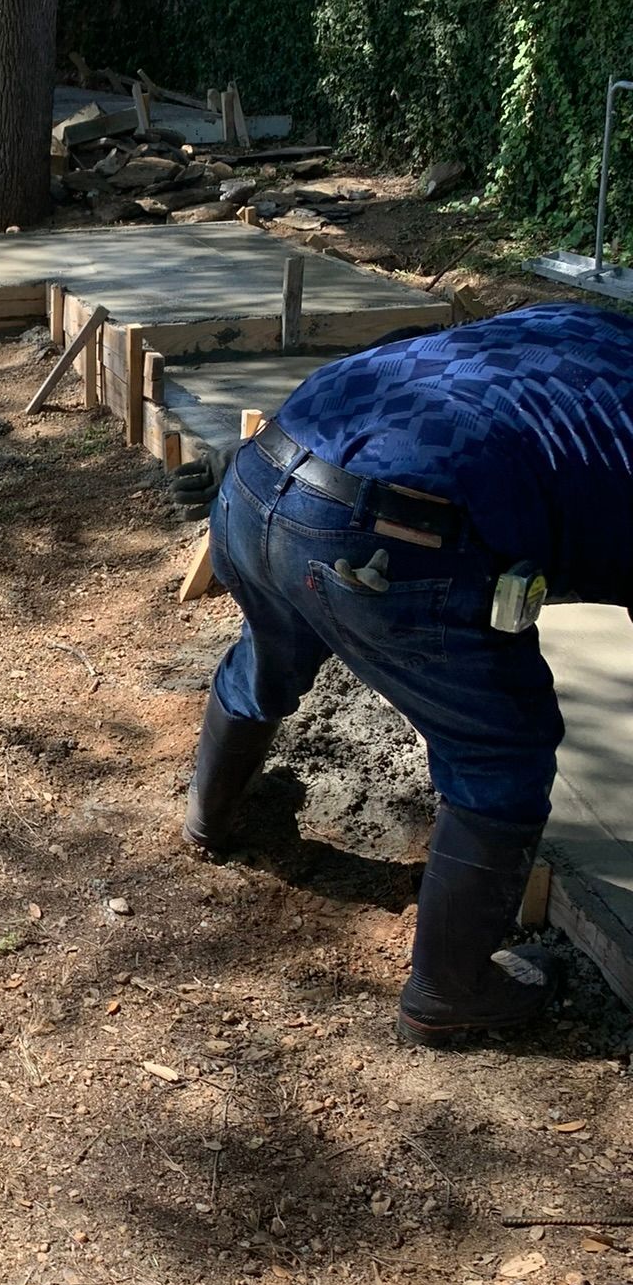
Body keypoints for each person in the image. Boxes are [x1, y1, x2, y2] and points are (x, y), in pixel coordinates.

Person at [176, 303, 633, 1048]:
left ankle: (211, 819)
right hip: (387, 536)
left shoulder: (580, 325)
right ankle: (450, 992)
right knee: (501, 750)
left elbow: (401, 352)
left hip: (262, 473)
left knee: (271, 650)